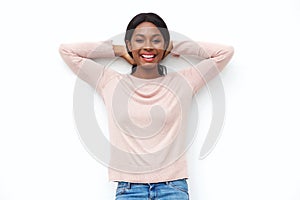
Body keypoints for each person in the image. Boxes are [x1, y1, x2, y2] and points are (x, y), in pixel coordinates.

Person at [59, 12, 234, 200]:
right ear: (129, 45)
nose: (148, 46)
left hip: (172, 187)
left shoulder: (183, 82)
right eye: (139, 40)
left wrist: (176, 47)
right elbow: (67, 51)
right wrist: (118, 50)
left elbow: (225, 52)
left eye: (156, 40)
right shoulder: (110, 82)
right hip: (129, 189)